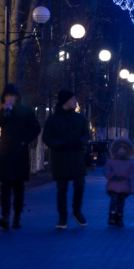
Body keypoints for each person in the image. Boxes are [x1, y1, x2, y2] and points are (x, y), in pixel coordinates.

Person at [0, 83, 42, 230]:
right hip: (6, 154)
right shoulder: (4, 111)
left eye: (11, 96)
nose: (9, 98)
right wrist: (2, 112)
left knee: (18, 187)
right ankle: (5, 216)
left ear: (17, 97)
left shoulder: (26, 112)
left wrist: (24, 142)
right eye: (6, 96)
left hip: (20, 154)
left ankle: (17, 216)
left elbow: (35, 128)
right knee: (5, 187)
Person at [42, 89, 89, 229]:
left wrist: (80, 142)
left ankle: (77, 211)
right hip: (61, 158)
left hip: (77, 157)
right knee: (62, 189)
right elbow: (46, 138)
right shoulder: (53, 119)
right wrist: (61, 145)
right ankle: (62, 218)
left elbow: (86, 134)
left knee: (79, 185)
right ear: (65, 101)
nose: (75, 101)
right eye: (72, 99)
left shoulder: (80, 118)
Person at [102, 137, 134, 227]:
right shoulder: (111, 162)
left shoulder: (130, 164)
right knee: (114, 201)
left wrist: (133, 189)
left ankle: (119, 217)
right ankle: (112, 216)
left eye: (123, 149)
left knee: (121, 203)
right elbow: (106, 170)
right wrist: (111, 175)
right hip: (113, 184)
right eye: (119, 149)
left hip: (124, 187)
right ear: (116, 150)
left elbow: (133, 177)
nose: (121, 151)